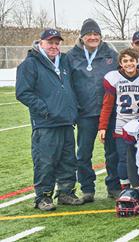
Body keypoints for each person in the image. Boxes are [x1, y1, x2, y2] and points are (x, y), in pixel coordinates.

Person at [17, 28, 82, 210]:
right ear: (41, 43)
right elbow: (23, 92)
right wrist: (45, 110)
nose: (53, 46)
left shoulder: (63, 62)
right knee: (45, 161)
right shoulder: (30, 64)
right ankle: (43, 197)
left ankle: (65, 192)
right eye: (50, 42)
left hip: (66, 121)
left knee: (68, 160)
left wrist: (73, 108)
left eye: (56, 43)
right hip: (46, 123)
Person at [66, 18, 120, 203]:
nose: (93, 37)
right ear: (82, 37)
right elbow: (67, 85)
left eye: (96, 34)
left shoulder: (111, 55)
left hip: (109, 112)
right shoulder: (71, 56)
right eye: (89, 34)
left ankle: (113, 186)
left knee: (112, 151)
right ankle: (87, 189)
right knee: (84, 153)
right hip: (85, 113)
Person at [98, 49, 139, 198]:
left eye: (132, 60)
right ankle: (125, 188)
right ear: (120, 63)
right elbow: (107, 105)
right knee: (123, 158)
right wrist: (102, 127)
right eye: (125, 61)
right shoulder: (115, 78)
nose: (129, 63)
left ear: (137, 61)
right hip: (122, 125)